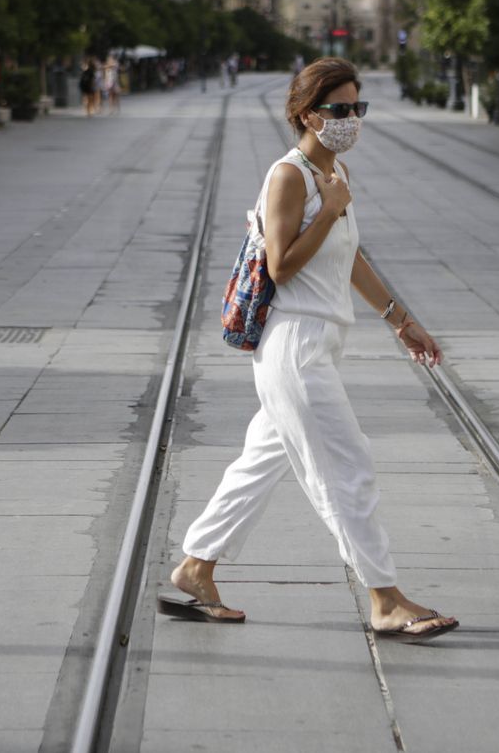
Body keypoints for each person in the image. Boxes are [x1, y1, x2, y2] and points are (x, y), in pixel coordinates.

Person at [159, 58, 457, 642]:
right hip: (294, 347)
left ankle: (196, 569)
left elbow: (348, 258)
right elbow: (282, 263)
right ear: (306, 113)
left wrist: (401, 319)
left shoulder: (332, 173)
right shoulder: (289, 176)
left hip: (315, 345)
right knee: (349, 469)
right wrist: (332, 209)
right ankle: (386, 599)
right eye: (339, 109)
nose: (351, 119)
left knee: (257, 466)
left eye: (357, 108)